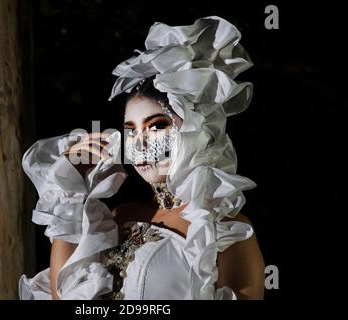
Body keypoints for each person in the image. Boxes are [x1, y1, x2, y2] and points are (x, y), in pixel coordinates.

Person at [19, 16, 265, 300]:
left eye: (157, 125)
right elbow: (63, 297)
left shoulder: (226, 230)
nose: (141, 142)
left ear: (198, 128)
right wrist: (70, 190)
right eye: (130, 131)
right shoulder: (118, 216)